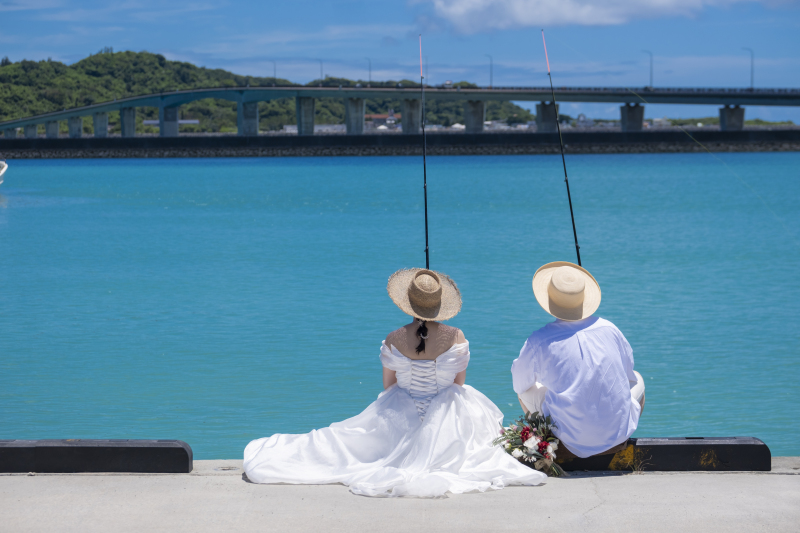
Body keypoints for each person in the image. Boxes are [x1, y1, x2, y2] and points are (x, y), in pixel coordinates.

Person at [244, 268, 546, 497]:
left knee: (343, 443)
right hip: (449, 413)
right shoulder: (457, 337)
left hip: (403, 406)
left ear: (408, 304)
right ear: (439, 305)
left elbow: (390, 386)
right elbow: (458, 382)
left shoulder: (394, 339)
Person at [511, 261, 645, 459]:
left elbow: (519, 384)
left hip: (570, 440)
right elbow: (627, 372)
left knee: (524, 391)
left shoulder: (539, 340)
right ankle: (612, 440)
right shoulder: (610, 328)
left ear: (549, 300)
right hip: (617, 435)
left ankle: (550, 444)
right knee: (638, 378)